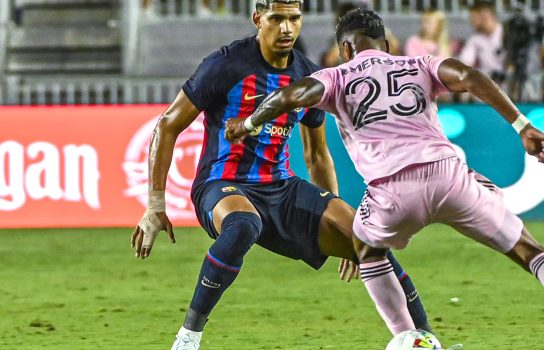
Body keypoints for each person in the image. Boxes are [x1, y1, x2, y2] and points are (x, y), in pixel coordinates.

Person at [227, 8, 544, 350]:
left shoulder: (336, 76)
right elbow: (469, 77)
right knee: (529, 249)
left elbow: (292, 95)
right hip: (448, 177)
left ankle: (407, 338)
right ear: (387, 44)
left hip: (391, 193)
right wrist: (522, 124)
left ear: (345, 48)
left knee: (364, 247)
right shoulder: (420, 62)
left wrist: (248, 124)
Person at [129, 1, 431, 349]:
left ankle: (425, 339)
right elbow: (167, 125)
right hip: (223, 184)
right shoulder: (225, 64)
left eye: (294, 19)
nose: (287, 28)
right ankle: (187, 338)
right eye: (277, 19)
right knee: (243, 223)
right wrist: (155, 206)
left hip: (281, 188)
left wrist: (333, 213)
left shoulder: (309, 75)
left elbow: (317, 154)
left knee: (368, 241)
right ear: (258, 19)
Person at [458, 1, 505, 79]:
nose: (471, 22)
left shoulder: (507, 34)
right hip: (488, 83)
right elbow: (465, 62)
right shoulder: (475, 39)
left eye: (473, 18)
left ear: (485, 15)